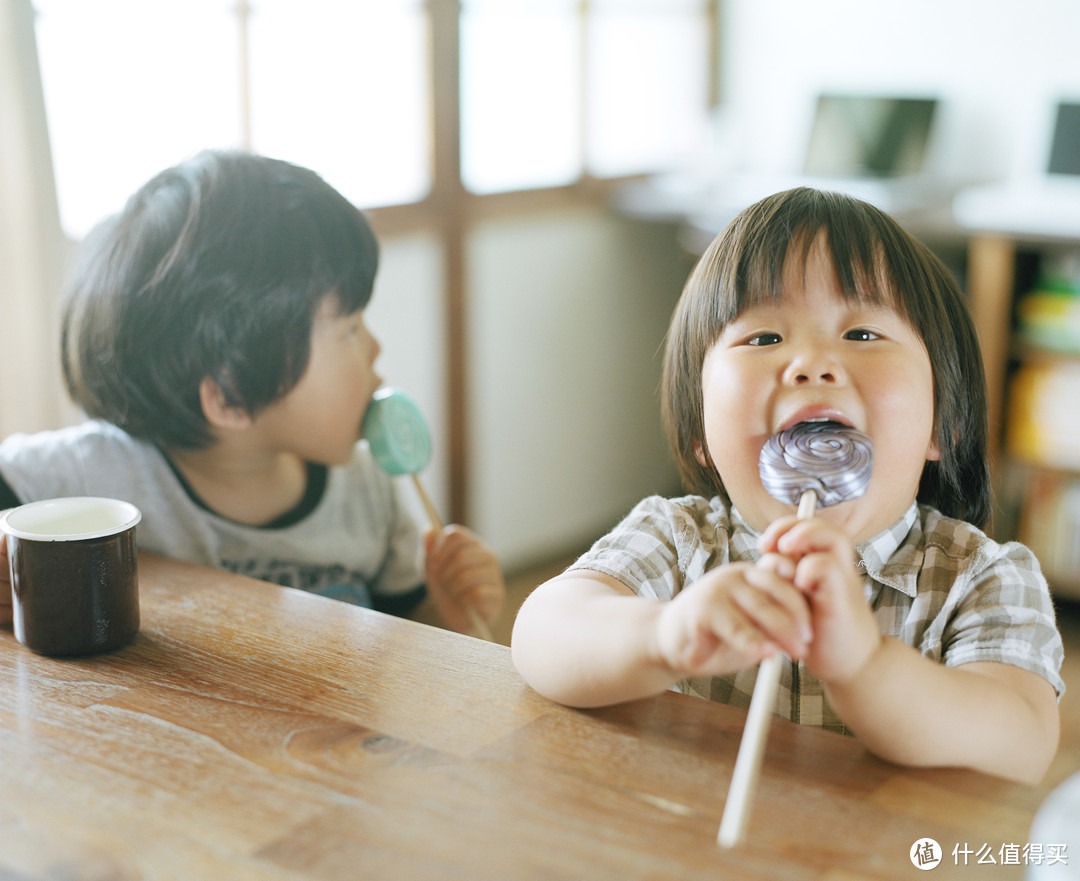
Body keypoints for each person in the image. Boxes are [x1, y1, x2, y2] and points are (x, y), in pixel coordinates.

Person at [511, 187, 1064, 783]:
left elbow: (1023, 740)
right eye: (765, 338)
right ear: (702, 428)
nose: (811, 364)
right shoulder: (677, 540)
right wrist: (664, 636)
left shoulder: (981, 577)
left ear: (942, 424)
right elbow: (543, 634)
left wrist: (864, 667)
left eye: (862, 334)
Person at [0, 150, 504, 637]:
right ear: (231, 394)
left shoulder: (365, 490)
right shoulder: (92, 478)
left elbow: (403, 646)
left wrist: (449, 617)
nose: (375, 347)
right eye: (349, 329)